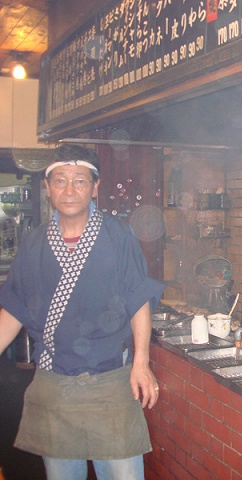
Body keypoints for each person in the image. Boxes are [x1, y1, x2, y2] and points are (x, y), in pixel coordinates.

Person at [0, 144, 164, 480]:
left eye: (79, 181)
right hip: (54, 383)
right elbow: (13, 310)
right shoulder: (33, 245)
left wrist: (141, 363)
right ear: (47, 188)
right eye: (60, 181)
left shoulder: (117, 236)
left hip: (111, 382)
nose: (69, 189)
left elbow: (138, 301)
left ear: (95, 187)